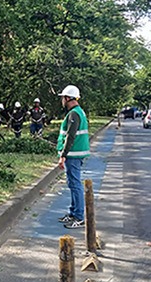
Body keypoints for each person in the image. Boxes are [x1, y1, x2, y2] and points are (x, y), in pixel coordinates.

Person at [56, 85, 90, 229]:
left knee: (75, 184)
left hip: (73, 155)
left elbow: (70, 136)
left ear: (68, 98)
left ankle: (79, 216)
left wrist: (63, 155)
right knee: (72, 183)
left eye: (63, 97)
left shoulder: (73, 114)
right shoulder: (78, 112)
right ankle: (73, 212)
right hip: (75, 154)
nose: (62, 101)